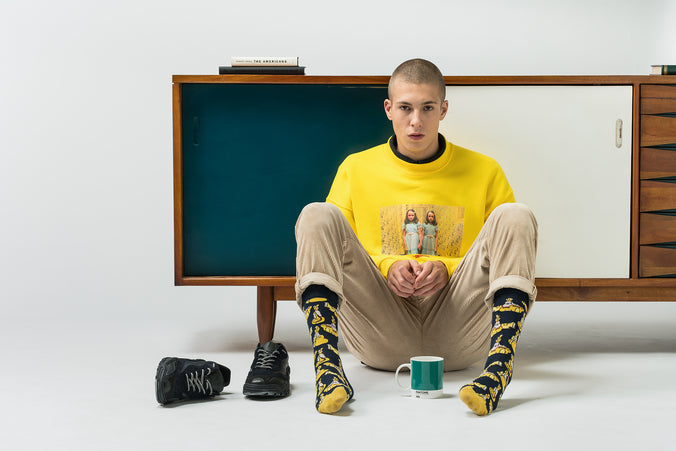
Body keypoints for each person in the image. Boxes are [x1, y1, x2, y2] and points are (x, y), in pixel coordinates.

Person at [294, 58, 538, 416]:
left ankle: (498, 370)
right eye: (406, 108)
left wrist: (447, 268)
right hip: (379, 329)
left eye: (427, 108)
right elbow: (338, 251)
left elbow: (501, 252)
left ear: (443, 109)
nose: (416, 121)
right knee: (317, 214)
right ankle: (328, 369)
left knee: (516, 215)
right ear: (388, 109)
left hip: (459, 327)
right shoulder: (355, 168)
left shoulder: (485, 170)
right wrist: (387, 265)